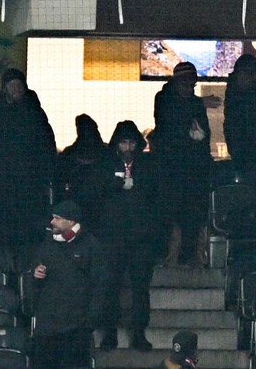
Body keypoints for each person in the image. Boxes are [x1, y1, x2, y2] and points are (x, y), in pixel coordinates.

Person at [92, 121, 160, 351]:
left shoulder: (148, 165)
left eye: (131, 142)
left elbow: (158, 197)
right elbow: (90, 196)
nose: (128, 147)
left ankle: (139, 333)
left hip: (141, 239)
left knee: (140, 288)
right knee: (110, 286)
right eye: (123, 142)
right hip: (112, 238)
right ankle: (109, 334)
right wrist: (111, 185)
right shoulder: (104, 166)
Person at [0, 69, 58, 248]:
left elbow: (46, 145)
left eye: (19, 85)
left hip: (29, 184)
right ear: (4, 88)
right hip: (1, 184)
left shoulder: (35, 114)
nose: (16, 89)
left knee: (27, 231)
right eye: (11, 85)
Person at [148, 62, 213, 266]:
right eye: (185, 83)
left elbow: (204, 135)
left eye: (192, 84)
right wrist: (200, 104)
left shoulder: (194, 103)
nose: (189, 87)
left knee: (193, 214)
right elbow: (169, 121)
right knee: (171, 214)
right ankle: (171, 256)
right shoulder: (165, 99)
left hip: (194, 171)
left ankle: (190, 256)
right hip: (171, 170)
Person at [29, 201, 101, 369]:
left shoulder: (90, 245)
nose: (52, 222)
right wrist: (36, 274)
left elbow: (101, 285)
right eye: (52, 217)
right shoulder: (47, 243)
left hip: (76, 327)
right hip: (48, 326)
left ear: (71, 221)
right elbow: (35, 273)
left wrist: (90, 321)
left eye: (57, 218)